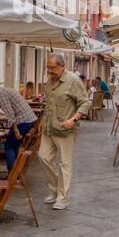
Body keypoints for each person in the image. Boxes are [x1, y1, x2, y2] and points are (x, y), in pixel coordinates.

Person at [40, 52, 90, 211]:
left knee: (64, 164)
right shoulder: (49, 81)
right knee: (43, 157)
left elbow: (85, 103)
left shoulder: (73, 81)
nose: (49, 71)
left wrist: (73, 119)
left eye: (53, 68)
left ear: (62, 67)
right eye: (48, 68)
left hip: (65, 129)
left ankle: (62, 197)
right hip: (48, 128)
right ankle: (54, 189)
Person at [0, 78, 38, 170]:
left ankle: (12, 172)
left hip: (23, 120)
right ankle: (16, 169)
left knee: (9, 145)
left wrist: (15, 130)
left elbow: (10, 114)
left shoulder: (0, 94)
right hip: (29, 119)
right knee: (14, 144)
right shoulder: (5, 90)